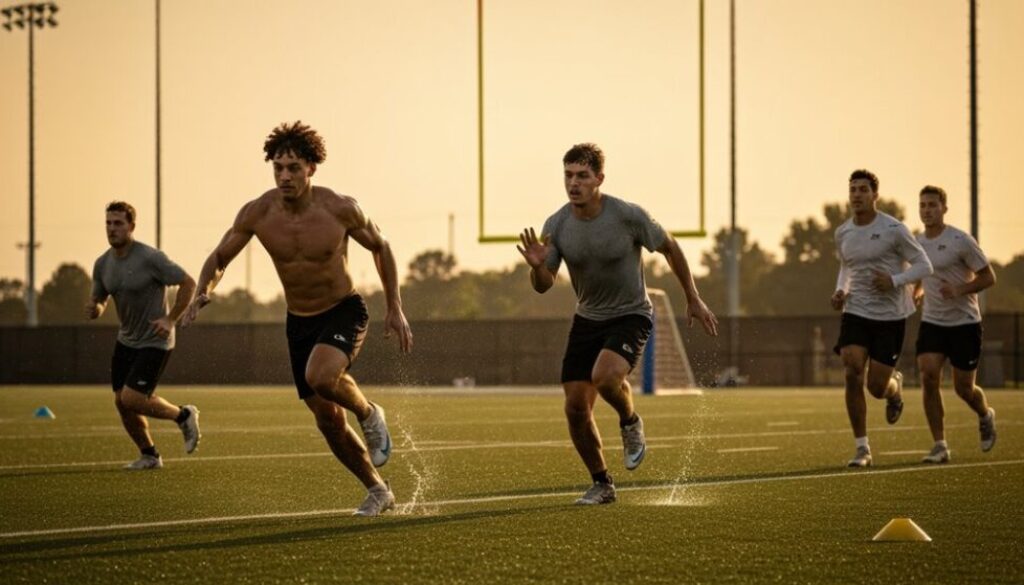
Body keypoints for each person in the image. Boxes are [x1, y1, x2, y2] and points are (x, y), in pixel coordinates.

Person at [182, 121, 412, 517]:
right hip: (299, 321)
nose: (285, 176)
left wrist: (395, 306)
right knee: (327, 420)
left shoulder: (340, 208)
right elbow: (219, 256)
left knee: (321, 377)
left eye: (293, 168)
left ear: (311, 169)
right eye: (278, 168)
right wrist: (205, 289)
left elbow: (382, 246)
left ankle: (370, 413)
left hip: (344, 310)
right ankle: (377, 490)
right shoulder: (258, 212)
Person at [517, 143, 719, 505]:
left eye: (582, 176)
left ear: (599, 179)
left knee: (606, 377)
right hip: (588, 317)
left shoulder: (627, 215)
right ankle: (602, 484)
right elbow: (544, 285)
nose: (573, 183)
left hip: (630, 313)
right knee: (575, 407)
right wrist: (537, 267)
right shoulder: (557, 224)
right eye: (568, 175)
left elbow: (670, 247)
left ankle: (629, 421)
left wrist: (693, 296)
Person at [86, 201, 201, 470]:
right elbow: (100, 299)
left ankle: (183, 415)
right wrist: (96, 308)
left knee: (132, 398)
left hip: (156, 339)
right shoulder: (102, 264)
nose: (112, 229)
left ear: (131, 227)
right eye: (108, 223)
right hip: (126, 340)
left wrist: (171, 319)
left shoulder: (150, 258)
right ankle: (149, 455)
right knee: (121, 402)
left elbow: (189, 283)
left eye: (118, 223)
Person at [831, 169, 933, 468]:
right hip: (856, 310)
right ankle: (862, 448)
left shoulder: (894, 229)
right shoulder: (843, 232)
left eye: (863, 189)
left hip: (890, 315)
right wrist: (840, 291)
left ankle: (893, 388)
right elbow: (846, 268)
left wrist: (895, 280)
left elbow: (924, 266)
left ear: (875, 195)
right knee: (851, 369)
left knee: (876, 387)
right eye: (853, 189)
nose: (857, 195)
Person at [914, 185, 997, 464]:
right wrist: (917, 291)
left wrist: (960, 289)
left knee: (963, 388)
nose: (927, 210)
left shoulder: (961, 240)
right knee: (928, 375)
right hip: (933, 322)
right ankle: (940, 445)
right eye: (923, 205)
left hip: (964, 323)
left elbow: (988, 277)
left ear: (944, 208)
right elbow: (919, 272)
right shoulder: (917, 243)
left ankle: (985, 414)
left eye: (932, 205)